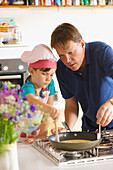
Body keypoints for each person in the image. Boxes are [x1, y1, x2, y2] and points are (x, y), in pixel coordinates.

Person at [51, 23, 113, 133]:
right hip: (90, 130)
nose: (67, 60)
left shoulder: (102, 52)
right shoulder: (60, 68)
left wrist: (111, 103)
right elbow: (71, 104)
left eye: (71, 52)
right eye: (62, 55)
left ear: (82, 44)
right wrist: (67, 128)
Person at [20, 44, 60, 143]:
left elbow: (47, 114)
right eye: (44, 74)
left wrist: (43, 133)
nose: (48, 79)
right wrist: (49, 108)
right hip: (20, 135)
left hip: (38, 135)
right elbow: (32, 101)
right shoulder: (27, 88)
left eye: (51, 74)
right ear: (31, 71)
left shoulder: (50, 85)